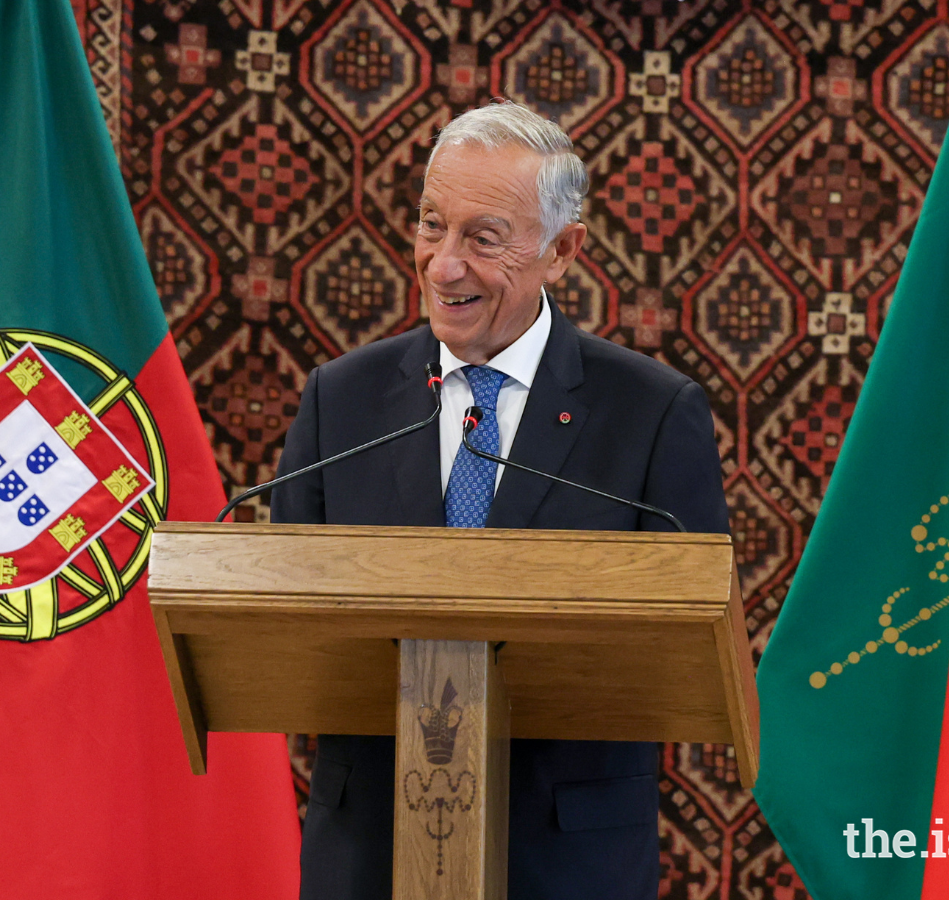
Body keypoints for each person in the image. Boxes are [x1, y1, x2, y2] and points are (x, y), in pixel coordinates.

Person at [271, 100, 729, 900]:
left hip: (566, 860)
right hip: (368, 854)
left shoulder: (651, 413)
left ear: (562, 251)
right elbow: (284, 631)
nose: (443, 265)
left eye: (483, 239)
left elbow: (685, 651)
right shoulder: (338, 401)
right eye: (430, 226)